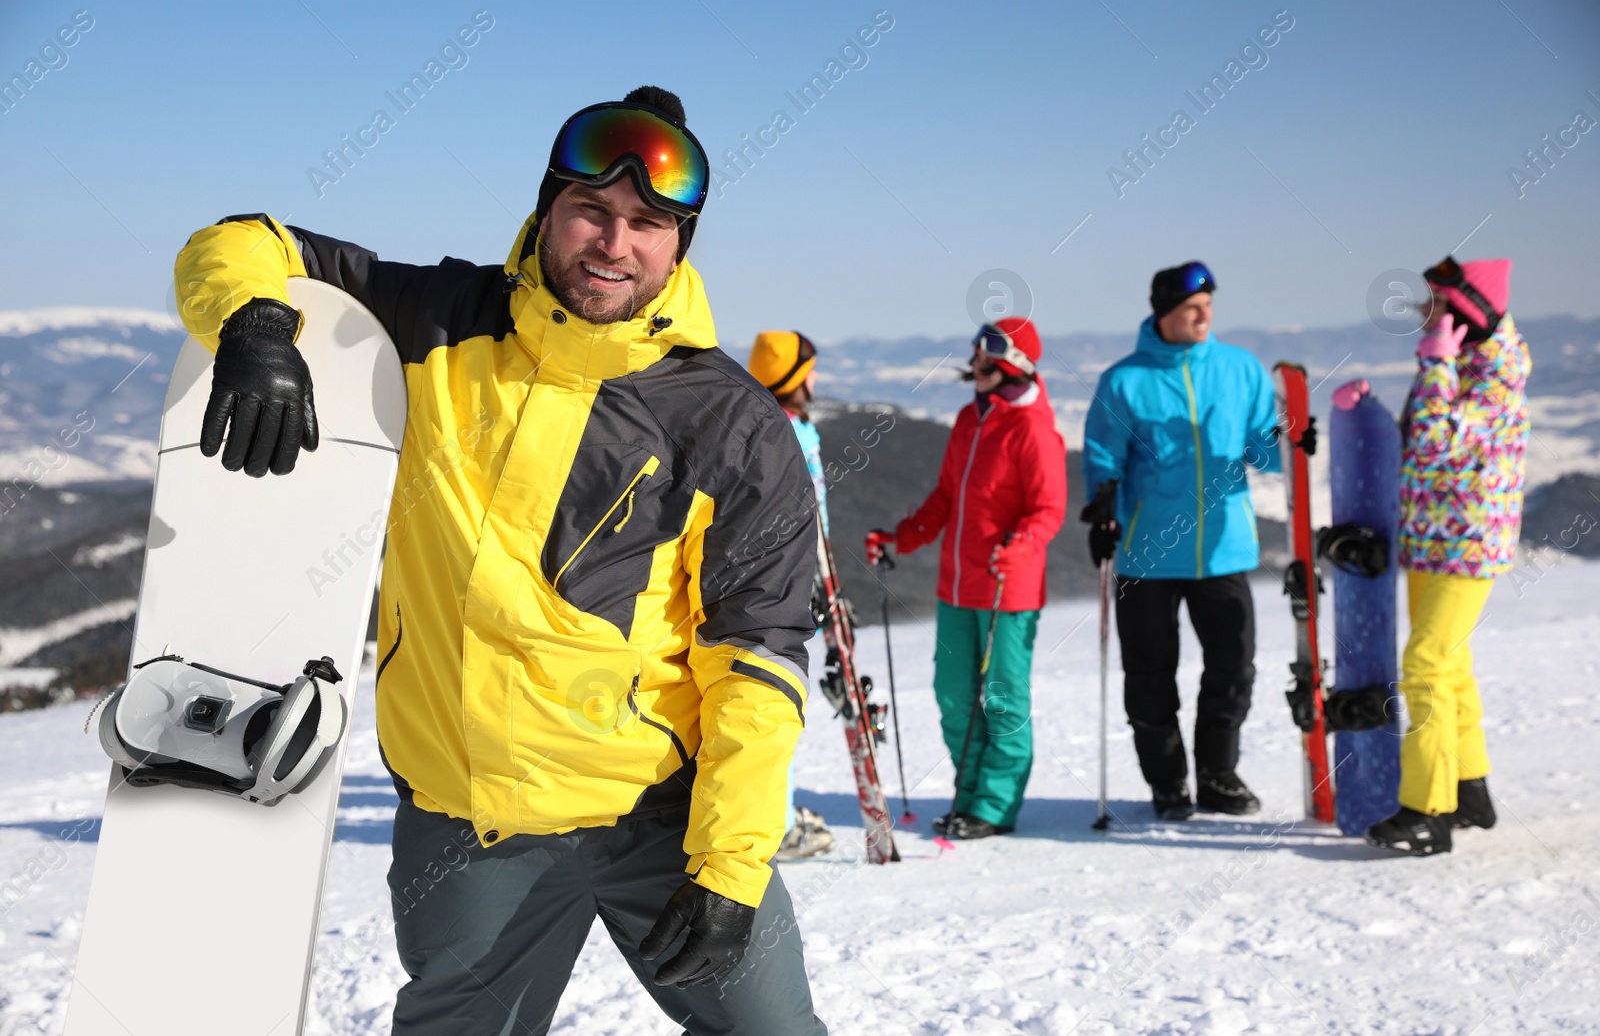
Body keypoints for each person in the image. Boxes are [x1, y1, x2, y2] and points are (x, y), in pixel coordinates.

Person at [171, 87, 828, 1034]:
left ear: (680, 244)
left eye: (648, 223)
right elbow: (246, 238)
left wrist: (729, 868)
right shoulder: (436, 317)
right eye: (591, 211)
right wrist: (256, 325)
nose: (614, 242)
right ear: (546, 209)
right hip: (465, 824)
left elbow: (757, 662)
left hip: (662, 819)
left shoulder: (729, 423)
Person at [1081, 262, 1289, 821]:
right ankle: (1168, 783)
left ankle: (1218, 776)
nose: (1205, 315)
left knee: (1233, 668)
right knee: (1150, 676)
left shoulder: (1240, 369)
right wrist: (1102, 506)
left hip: (1223, 547)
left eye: (1209, 306)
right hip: (1148, 553)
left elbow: (1265, 452)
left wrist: (1292, 436)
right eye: (1192, 308)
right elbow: (1104, 457)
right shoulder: (1123, 381)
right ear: (1164, 313)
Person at [864, 317, 1066, 840]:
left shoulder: (1033, 430)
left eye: (986, 356)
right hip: (957, 589)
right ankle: (970, 793)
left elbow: (1048, 510)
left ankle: (995, 806)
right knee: (953, 696)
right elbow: (945, 499)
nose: (974, 364)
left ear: (1014, 363)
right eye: (974, 355)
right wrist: (901, 538)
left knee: (1001, 699)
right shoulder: (968, 421)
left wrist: (1020, 548)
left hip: (1007, 592)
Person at [1365, 257, 1529, 856]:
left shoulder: (1495, 373)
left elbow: (1438, 444)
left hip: (1466, 542)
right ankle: (1468, 788)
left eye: (1437, 307)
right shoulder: (1464, 361)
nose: (1427, 319)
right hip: (1436, 538)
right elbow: (1418, 439)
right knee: (1449, 664)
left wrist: (1435, 360)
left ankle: (1426, 811)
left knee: (1426, 664)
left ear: (1469, 312)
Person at [747, 329, 836, 861]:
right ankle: (776, 826)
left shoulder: (778, 425)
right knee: (778, 701)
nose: (815, 380)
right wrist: (816, 580)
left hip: (784, 582)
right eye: (809, 371)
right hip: (788, 586)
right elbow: (799, 521)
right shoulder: (788, 437)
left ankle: (774, 814)